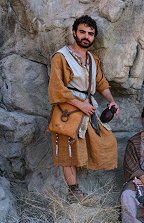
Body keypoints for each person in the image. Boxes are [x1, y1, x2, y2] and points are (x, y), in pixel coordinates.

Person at [48, 15, 120, 203]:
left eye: (90, 33)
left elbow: (101, 83)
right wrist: (80, 105)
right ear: (74, 32)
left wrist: (111, 101)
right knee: (68, 152)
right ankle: (74, 193)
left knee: (106, 141)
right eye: (82, 32)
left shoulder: (92, 59)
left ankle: (81, 188)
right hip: (67, 110)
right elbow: (56, 88)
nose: (86, 36)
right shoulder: (60, 57)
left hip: (88, 109)